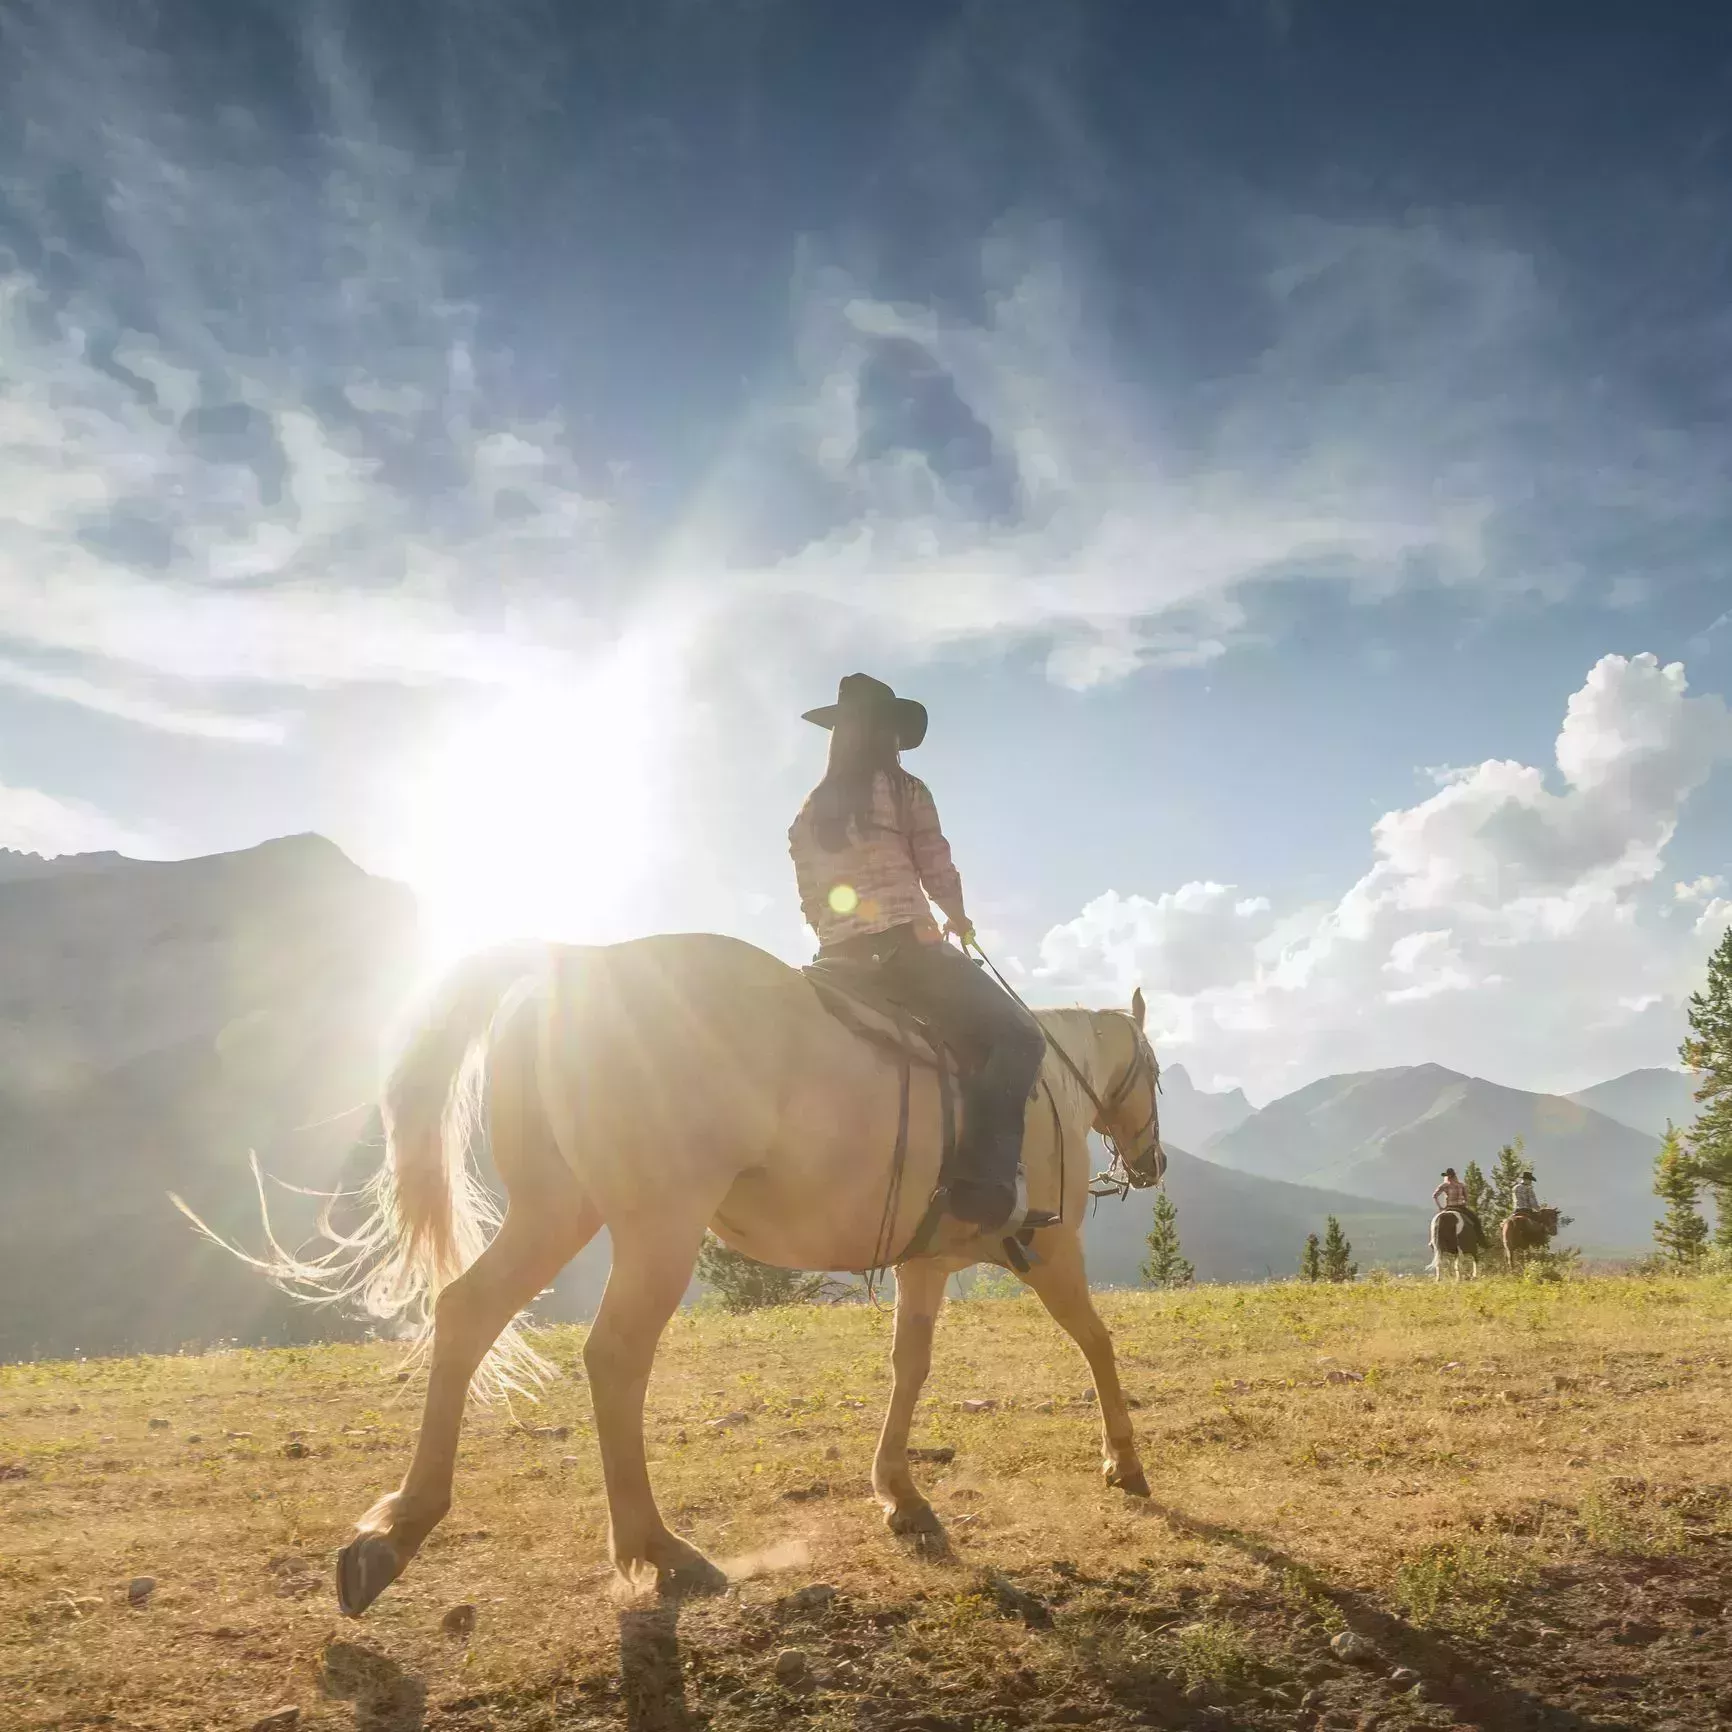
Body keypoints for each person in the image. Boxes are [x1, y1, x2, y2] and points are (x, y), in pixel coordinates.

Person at [790, 673, 1052, 1235]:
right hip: (906, 949)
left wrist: (835, 936)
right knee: (1020, 1037)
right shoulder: (905, 790)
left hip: (835, 961)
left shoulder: (811, 810)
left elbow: (810, 896)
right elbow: (934, 862)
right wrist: (956, 915)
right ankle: (985, 1185)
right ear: (885, 733)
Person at [1432, 1167, 1484, 1244]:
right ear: (1455, 1176)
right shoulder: (1461, 1185)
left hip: (1449, 1208)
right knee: (1476, 1220)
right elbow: (1467, 1198)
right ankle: (1482, 1241)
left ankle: (1432, 1241)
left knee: (1435, 1223)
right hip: (1460, 1207)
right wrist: (1465, 1203)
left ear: (1447, 1177)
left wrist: (1440, 1207)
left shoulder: (1444, 1185)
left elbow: (1435, 1196)